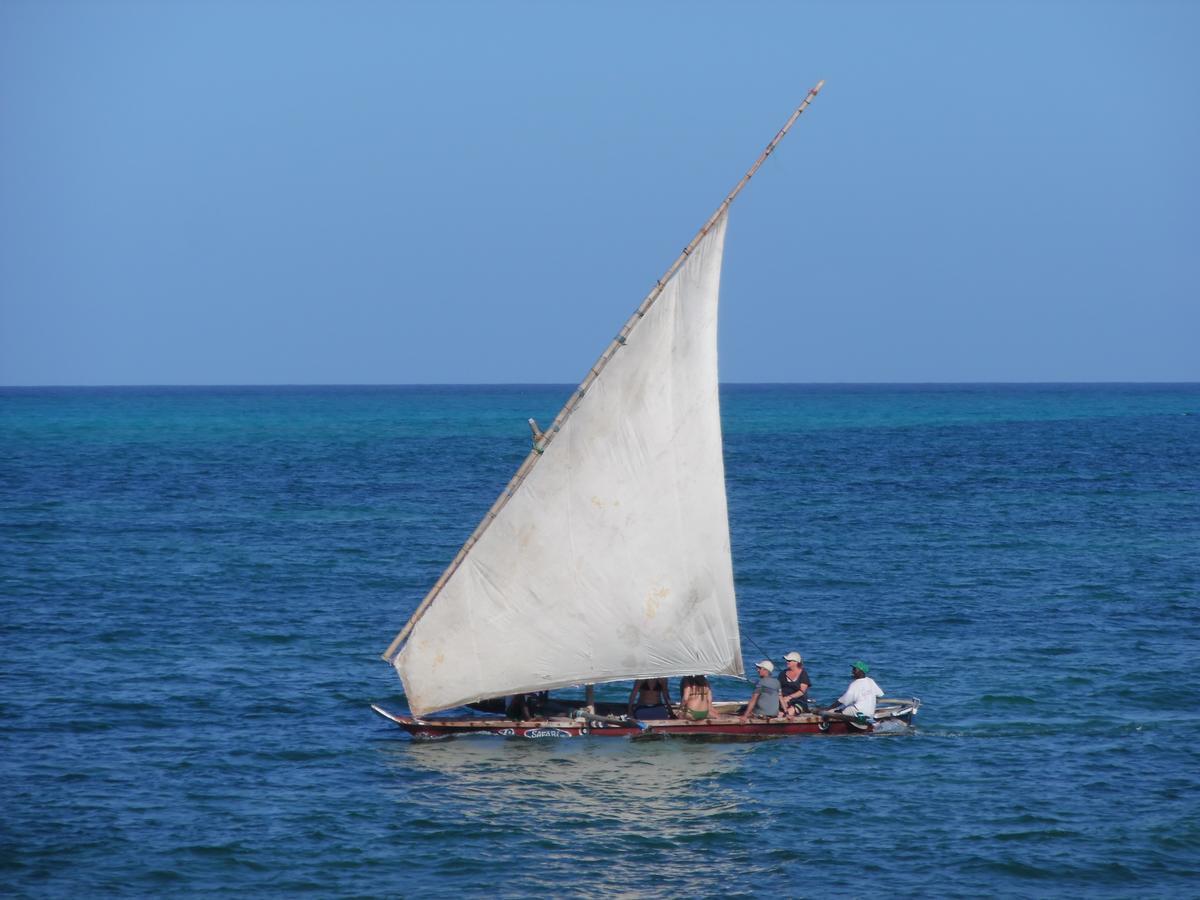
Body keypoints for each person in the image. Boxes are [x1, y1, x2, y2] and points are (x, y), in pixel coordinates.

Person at [778, 651, 811, 716]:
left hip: (799, 701)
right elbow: (778, 689)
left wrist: (788, 697)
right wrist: (782, 700)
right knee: (777, 713)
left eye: (789, 660)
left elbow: (802, 691)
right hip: (783, 701)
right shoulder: (782, 674)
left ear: (796, 662)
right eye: (787, 660)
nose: (787, 662)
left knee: (789, 712)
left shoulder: (803, 674)